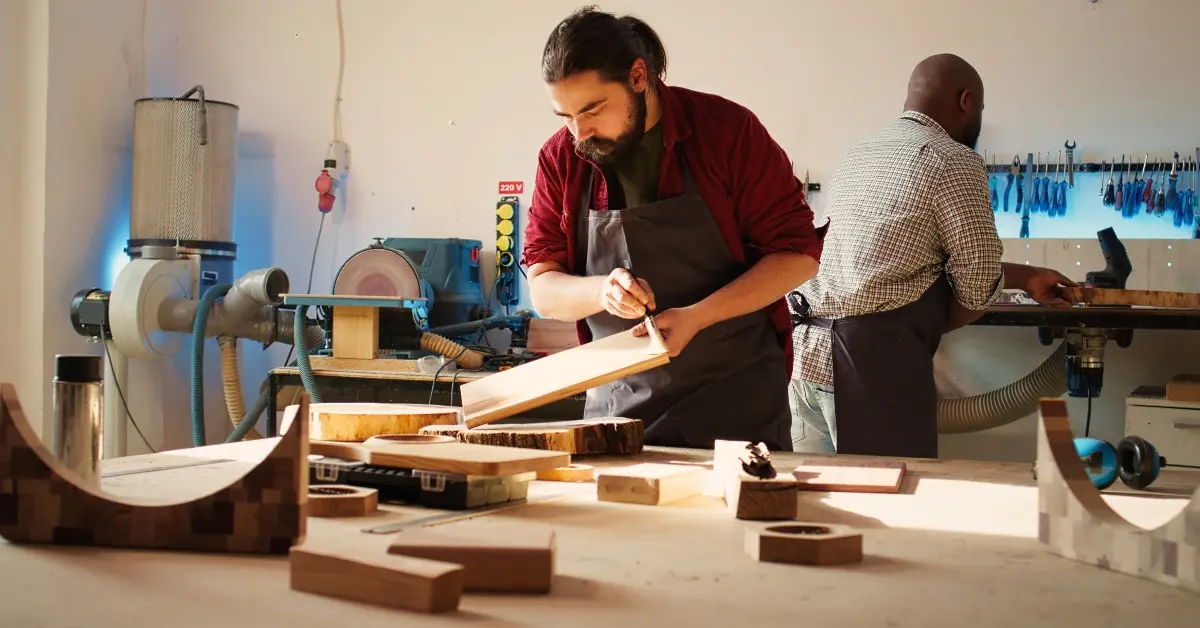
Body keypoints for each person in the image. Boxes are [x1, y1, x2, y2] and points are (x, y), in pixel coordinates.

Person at [520, 7, 823, 451]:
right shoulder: (561, 157)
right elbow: (543, 289)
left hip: (736, 410)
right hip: (617, 417)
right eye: (564, 116)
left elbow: (798, 257)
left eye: (593, 109)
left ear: (638, 76)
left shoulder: (726, 132)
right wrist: (602, 290)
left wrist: (697, 317)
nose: (579, 132)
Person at [788, 53, 1075, 459]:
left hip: (806, 359)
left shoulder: (857, 155)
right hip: (871, 368)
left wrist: (1028, 277)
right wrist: (915, 333)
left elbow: (890, 264)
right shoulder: (955, 160)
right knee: (890, 507)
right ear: (966, 101)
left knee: (818, 506)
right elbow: (975, 288)